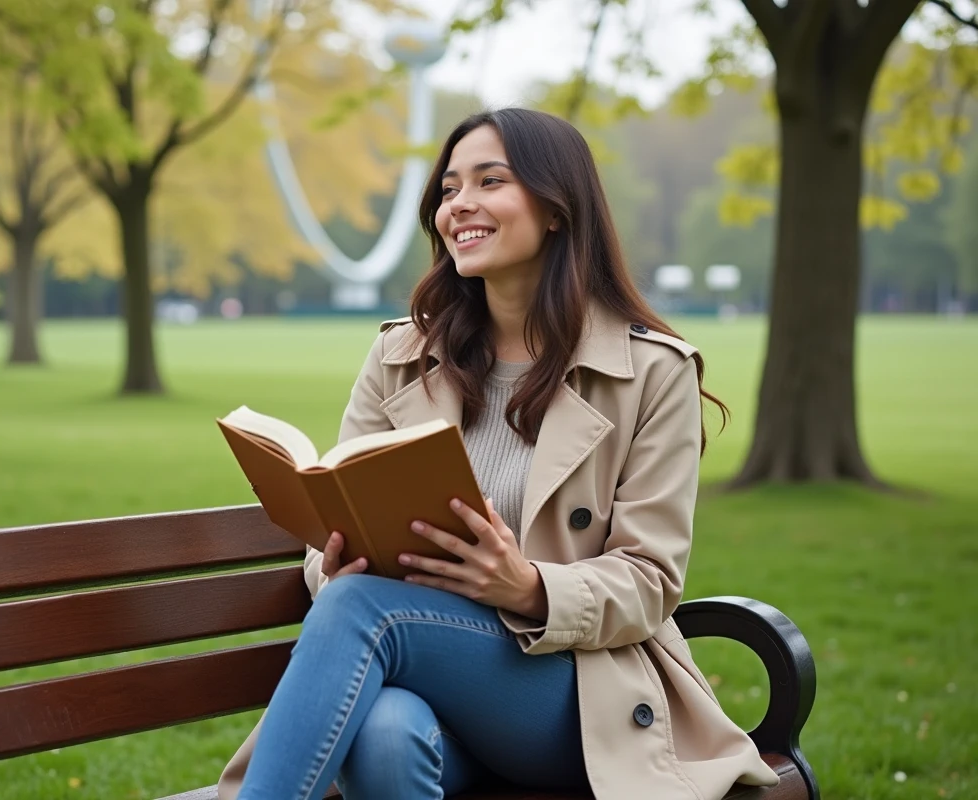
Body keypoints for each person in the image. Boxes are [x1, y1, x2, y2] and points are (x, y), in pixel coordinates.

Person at [217, 108, 779, 800]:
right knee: (387, 732)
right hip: (420, 670)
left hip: (572, 692)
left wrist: (528, 586)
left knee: (364, 609)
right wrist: (331, 561)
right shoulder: (399, 357)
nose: (461, 205)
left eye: (490, 181)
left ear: (555, 210)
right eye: (449, 189)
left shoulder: (650, 372)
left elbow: (650, 579)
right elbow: (332, 520)